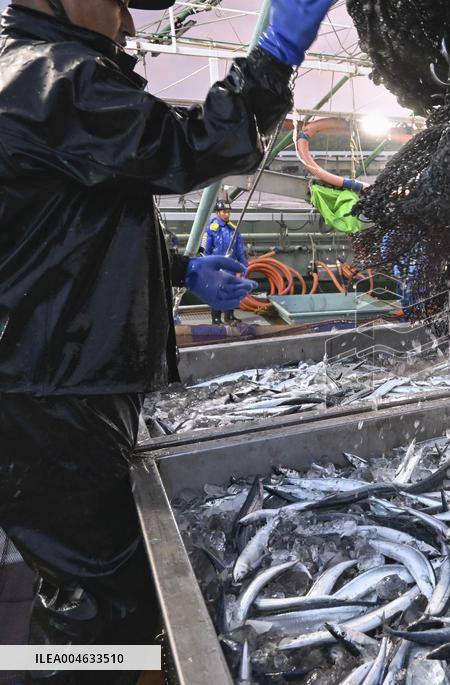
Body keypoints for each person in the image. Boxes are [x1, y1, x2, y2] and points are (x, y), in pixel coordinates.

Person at [0, 0, 332, 681]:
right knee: (96, 602)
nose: (128, 23)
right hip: (50, 390)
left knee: (85, 580)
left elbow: (65, 227)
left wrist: (182, 270)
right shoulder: (51, 76)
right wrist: (275, 55)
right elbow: (192, 146)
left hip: (47, 381)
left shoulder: (34, 76)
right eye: (119, 2)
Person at [202, 200, 249, 324]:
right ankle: (216, 319)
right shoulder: (211, 229)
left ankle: (229, 317)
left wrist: (242, 267)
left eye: (228, 212)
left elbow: (240, 252)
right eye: (224, 212)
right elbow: (205, 251)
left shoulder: (234, 230)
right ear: (217, 213)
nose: (227, 214)